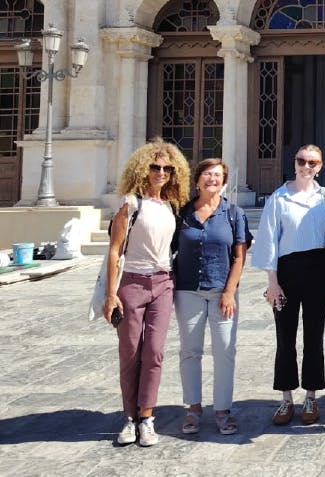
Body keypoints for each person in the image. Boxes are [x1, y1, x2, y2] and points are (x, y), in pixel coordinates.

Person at [103, 139, 190, 446]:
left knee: (154, 351)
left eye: (167, 168)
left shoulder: (173, 206)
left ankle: (147, 416)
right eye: (155, 167)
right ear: (143, 169)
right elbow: (115, 251)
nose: (161, 172)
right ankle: (129, 418)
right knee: (129, 353)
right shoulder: (131, 203)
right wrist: (110, 295)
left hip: (163, 283)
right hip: (131, 283)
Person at [252, 145, 325, 426]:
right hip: (286, 272)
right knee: (284, 337)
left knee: (314, 336)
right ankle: (286, 398)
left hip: (317, 271)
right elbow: (269, 239)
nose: (306, 167)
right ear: (294, 163)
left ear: (320, 166)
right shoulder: (279, 197)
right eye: (302, 161)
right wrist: (272, 283)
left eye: (312, 162)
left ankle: (311, 395)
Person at [173, 158, 249, 435]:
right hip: (188, 290)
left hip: (222, 292)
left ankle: (222, 410)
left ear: (224, 181)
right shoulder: (182, 213)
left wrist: (230, 292)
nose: (212, 179)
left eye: (217, 175)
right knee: (190, 351)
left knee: (225, 351)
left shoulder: (234, 213)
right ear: (197, 180)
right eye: (207, 174)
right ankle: (193, 408)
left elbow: (239, 256)